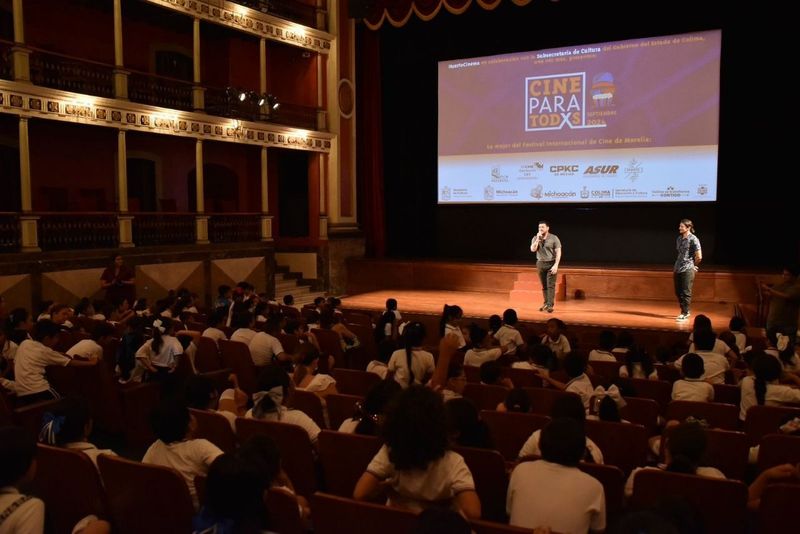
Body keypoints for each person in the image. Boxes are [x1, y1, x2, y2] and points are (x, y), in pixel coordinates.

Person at [760, 265, 800, 340]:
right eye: (783, 274)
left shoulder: (797, 287)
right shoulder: (780, 285)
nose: (783, 276)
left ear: (794, 276)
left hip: (787, 325)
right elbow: (770, 294)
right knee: (771, 345)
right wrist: (761, 289)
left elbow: (787, 296)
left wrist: (768, 289)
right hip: (773, 322)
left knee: (786, 348)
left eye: (787, 274)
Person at [673, 219, 702, 321]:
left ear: (688, 227)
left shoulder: (694, 239)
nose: (679, 228)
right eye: (679, 226)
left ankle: (685, 312)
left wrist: (693, 265)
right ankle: (684, 310)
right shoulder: (679, 239)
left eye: (682, 226)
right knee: (677, 291)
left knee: (686, 291)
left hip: (688, 268)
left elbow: (699, 256)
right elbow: (680, 253)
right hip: (677, 268)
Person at [530, 220, 561, 313]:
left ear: (547, 228)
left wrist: (556, 265)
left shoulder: (554, 238)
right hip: (540, 263)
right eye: (539, 227)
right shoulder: (535, 238)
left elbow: (558, 252)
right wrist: (537, 240)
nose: (541, 229)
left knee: (550, 285)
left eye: (542, 227)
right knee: (544, 286)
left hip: (551, 263)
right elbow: (532, 249)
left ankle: (550, 305)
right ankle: (546, 303)